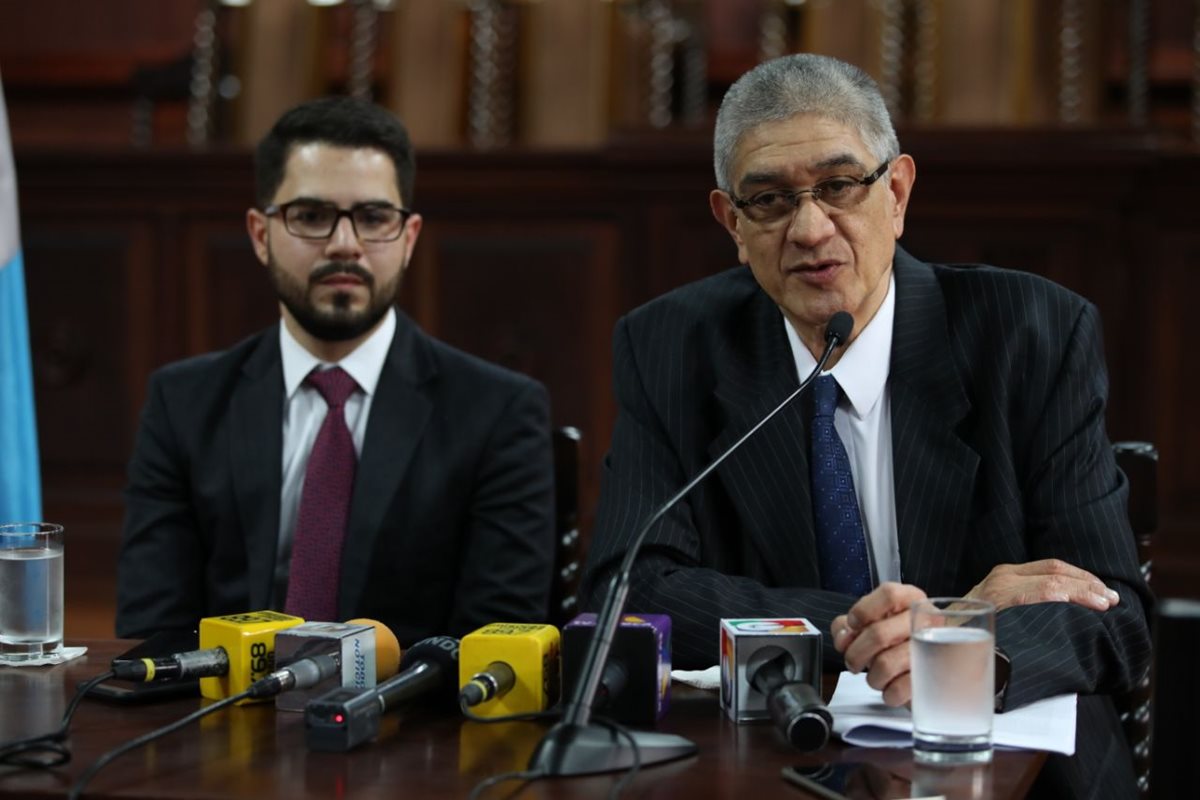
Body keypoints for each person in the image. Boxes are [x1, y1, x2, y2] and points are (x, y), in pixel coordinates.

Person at [581, 54, 1150, 798]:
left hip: (1014, 774)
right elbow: (631, 596)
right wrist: (878, 627)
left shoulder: (1031, 334)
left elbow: (1114, 614)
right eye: (770, 200)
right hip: (770, 767)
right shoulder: (671, 348)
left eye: (840, 186)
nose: (811, 229)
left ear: (898, 192)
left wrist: (961, 648)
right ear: (731, 222)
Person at [117, 97, 556, 647]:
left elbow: (491, 640)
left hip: (411, 725)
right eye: (311, 217)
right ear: (260, 234)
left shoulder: (498, 412)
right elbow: (152, 629)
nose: (345, 245)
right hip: (217, 714)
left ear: (409, 238)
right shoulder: (182, 404)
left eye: (374, 219)